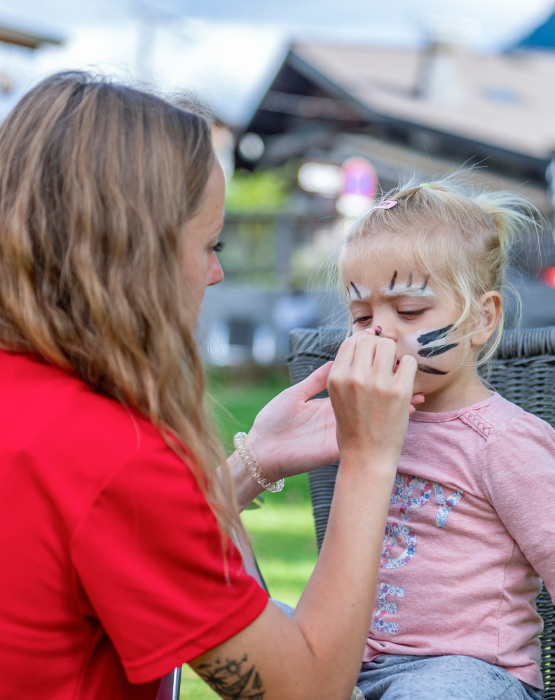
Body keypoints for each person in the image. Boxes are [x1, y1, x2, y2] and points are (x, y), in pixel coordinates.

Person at [0, 72, 418, 700]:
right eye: (209, 244)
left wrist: (253, 463)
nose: (216, 273)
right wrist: (368, 458)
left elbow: (111, 535)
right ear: (135, 255)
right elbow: (307, 690)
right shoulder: (114, 456)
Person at [336, 180, 553, 700]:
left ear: (482, 318)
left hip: (469, 672)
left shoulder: (504, 441)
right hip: (352, 663)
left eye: (409, 311)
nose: (378, 332)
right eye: (361, 317)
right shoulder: (364, 423)